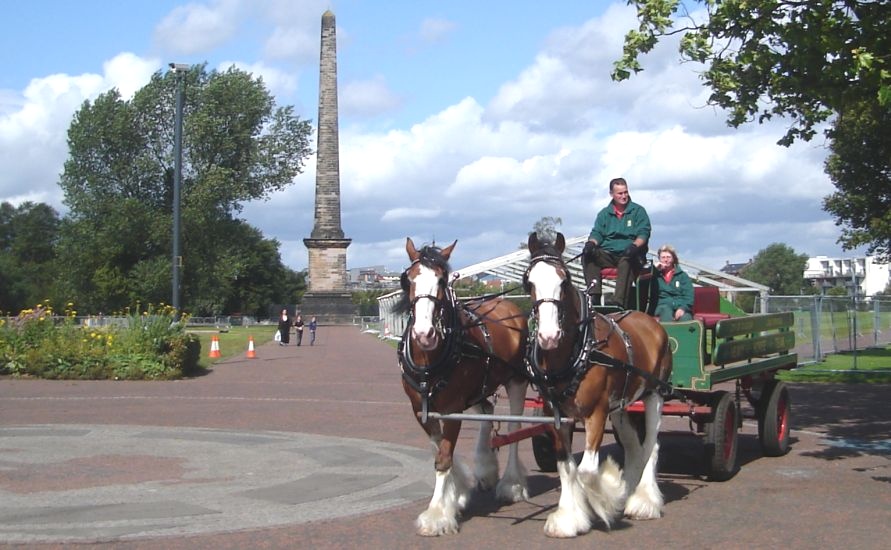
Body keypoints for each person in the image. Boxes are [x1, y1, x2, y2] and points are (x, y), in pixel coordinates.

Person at [582, 177, 651, 308]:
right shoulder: (604, 214)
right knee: (589, 256)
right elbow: (597, 233)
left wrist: (634, 246)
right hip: (608, 254)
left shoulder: (638, 211)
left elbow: (644, 233)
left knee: (625, 261)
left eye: (625, 192)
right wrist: (591, 243)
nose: (624, 196)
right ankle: (594, 297)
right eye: (620, 193)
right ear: (612, 194)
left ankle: (618, 302)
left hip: (630, 255)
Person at [653, 244, 694, 322]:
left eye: (668, 257)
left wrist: (683, 308)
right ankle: (667, 333)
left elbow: (689, 296)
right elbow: (644, 286)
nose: (666, 260)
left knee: (686, 318)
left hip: (679, 305)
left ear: (673, 258)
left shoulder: (682, 275)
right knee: (666, 312)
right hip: (662, 306)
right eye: (663, 257)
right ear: (659, 259)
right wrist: (654, 270)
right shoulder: (655, 275)